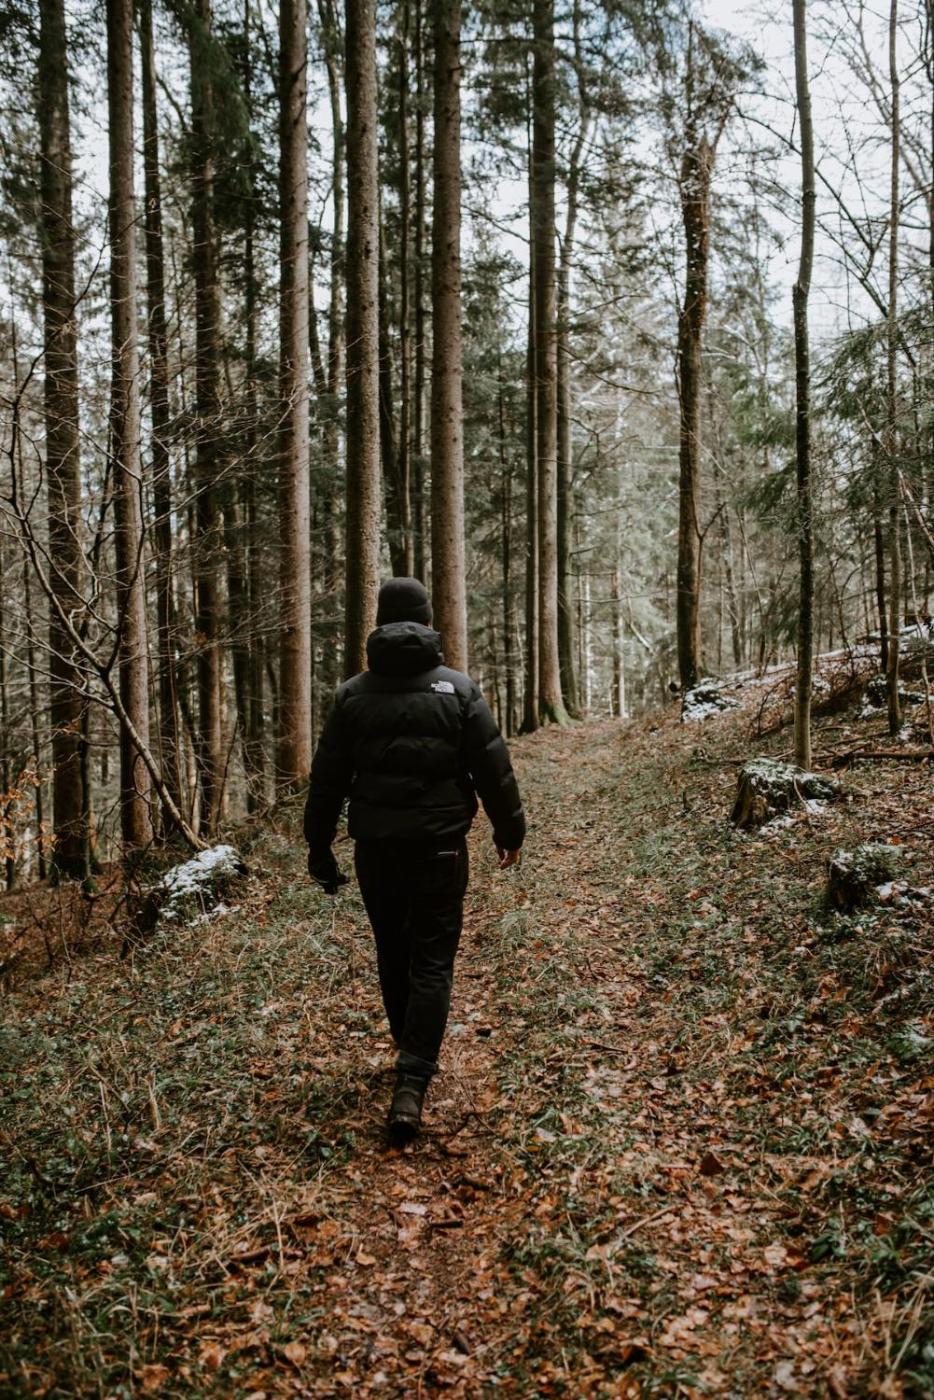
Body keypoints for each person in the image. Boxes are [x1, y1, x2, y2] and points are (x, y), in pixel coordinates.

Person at [304, 578, 526, 1143]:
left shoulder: (352, 695)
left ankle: (410, 1049)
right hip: (440, 849)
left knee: (393, 949)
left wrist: (319, 845)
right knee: (432, 959)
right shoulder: (459, 690)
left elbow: (327, 779)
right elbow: (493, 769)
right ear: (429, 623)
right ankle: (413, 1078)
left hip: (377, 850)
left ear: (380, 624)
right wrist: (510, 831)